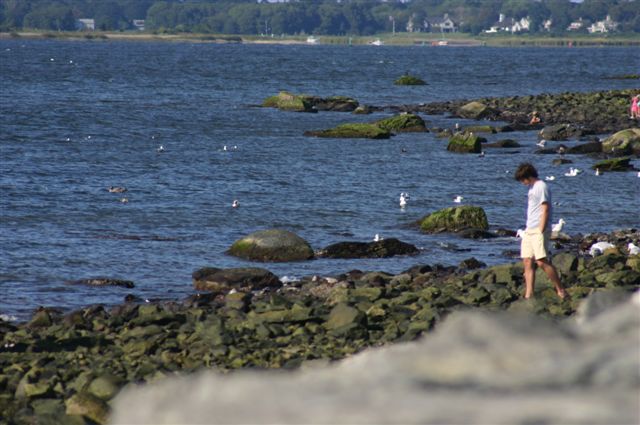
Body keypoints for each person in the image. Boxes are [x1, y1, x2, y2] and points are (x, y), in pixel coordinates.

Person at [514, 163, 568, 300]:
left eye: (522, 179)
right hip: (529, 229)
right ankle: (529, 294)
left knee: (541, 261)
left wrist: (541, 229)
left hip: (539, 229)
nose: (522, 182)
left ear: (528, 176)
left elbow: (546, 208)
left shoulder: (541, 186)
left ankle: (560, 290)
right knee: (527, 261)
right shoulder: (531, 188)